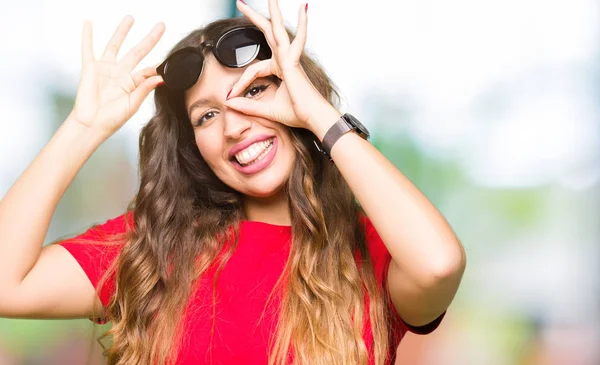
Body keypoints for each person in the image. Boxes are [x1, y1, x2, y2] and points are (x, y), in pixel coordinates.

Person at [0, 1, 466, 364]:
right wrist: (83, 128)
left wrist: (320, 114)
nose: (235, 126)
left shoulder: (368, 252)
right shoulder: (153, 250)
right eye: (207, 115)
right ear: (192, 145)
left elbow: (439, 264)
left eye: (255, 91)